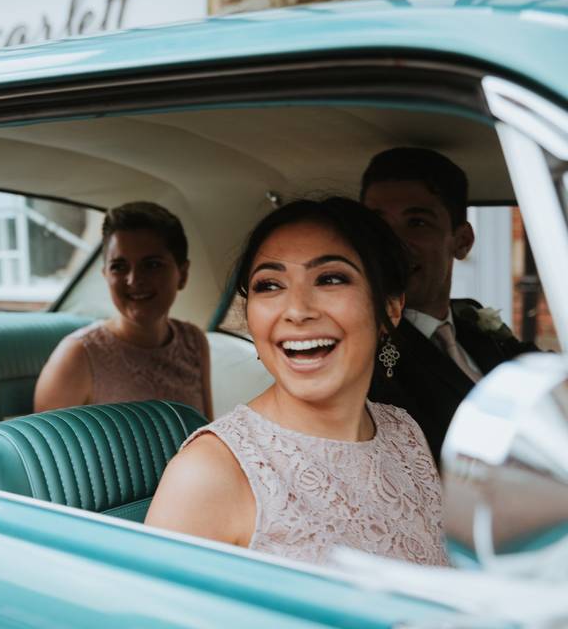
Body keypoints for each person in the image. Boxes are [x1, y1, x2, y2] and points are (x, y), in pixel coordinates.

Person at [146, 197, 447, 567]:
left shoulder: (405, 434)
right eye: (270, 285)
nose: (297, 311)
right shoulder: (209, 474)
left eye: (330, 279)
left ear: (390, 309)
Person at [361, 147, 536, 463]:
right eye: (376, 224)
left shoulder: (471, 321)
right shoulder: (360, 354)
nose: (392, 243)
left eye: (416, 223)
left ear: (462, 241)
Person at [34, 201, 212, 418]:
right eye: (119, 267)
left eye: (152, 264)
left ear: (182, 275)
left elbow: (206, 430)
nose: (134, 280)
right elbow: (46, 450)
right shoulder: (77, 356)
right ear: (106, 275)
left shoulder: (194, 342)